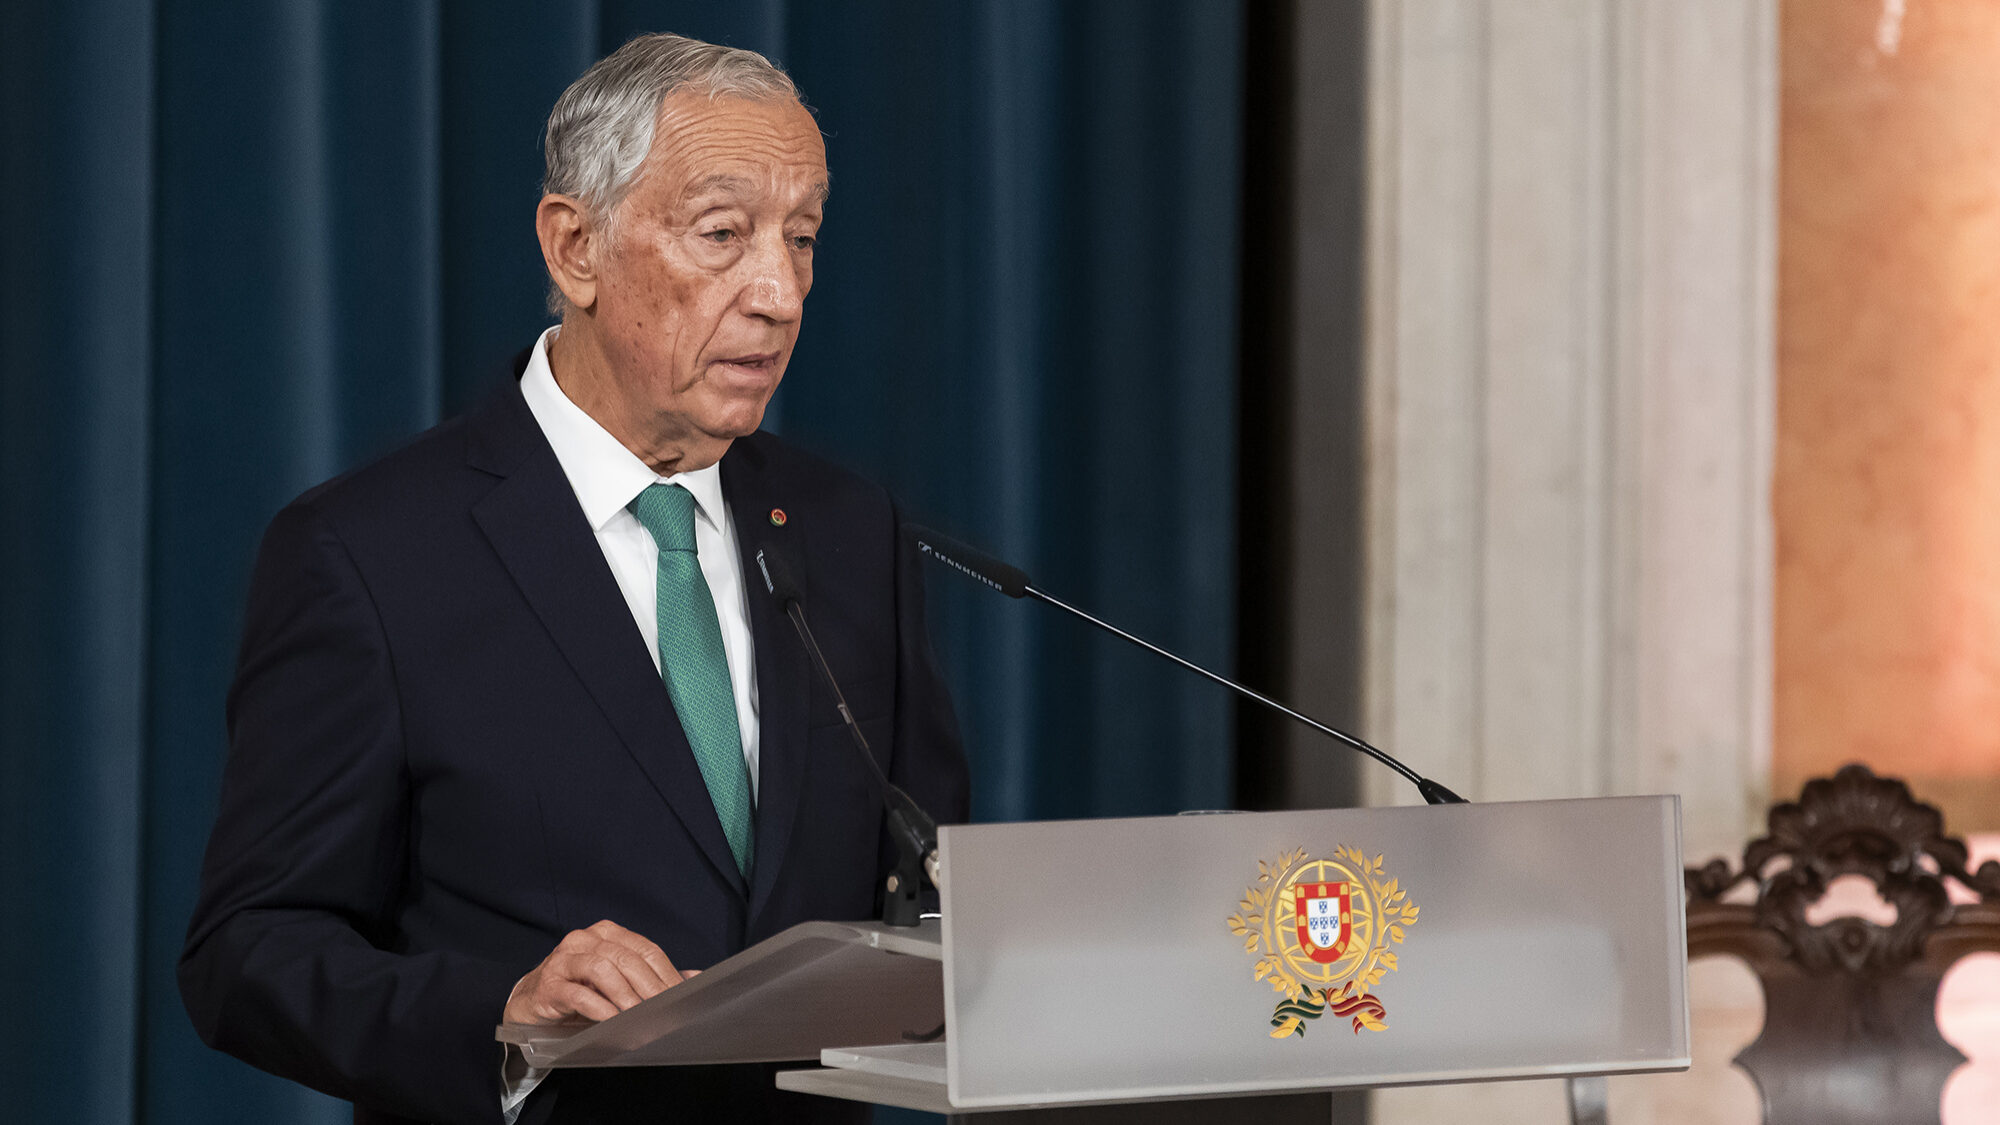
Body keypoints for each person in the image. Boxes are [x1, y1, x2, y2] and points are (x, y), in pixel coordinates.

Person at [179, 33, 970, 1125]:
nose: (779, 293)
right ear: (575, 248)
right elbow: (248, 953)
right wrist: (504, 1012)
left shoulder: (845, 530)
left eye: (801, 239)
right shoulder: (369, 554)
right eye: (723, 235)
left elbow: (929, 893)